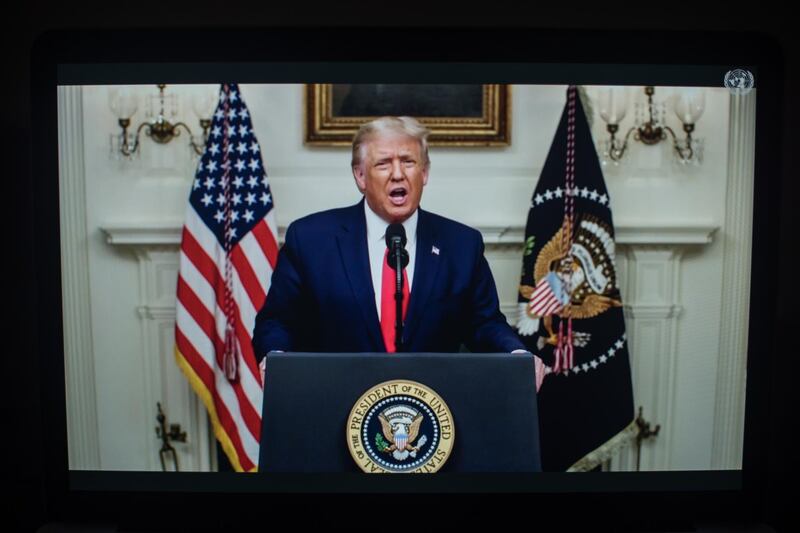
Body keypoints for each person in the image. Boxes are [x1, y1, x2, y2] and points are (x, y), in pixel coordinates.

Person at [252, 116, 528, 367]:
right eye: (383, 164)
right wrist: (276, 359)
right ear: (360, 176)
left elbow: (485, 323)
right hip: (335, 405)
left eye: (408, 162)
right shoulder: (311, 240)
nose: (398, 174)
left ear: (424, 173)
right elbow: (277, 321)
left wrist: (517, 354)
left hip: (431, 406)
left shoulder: (461, 245)